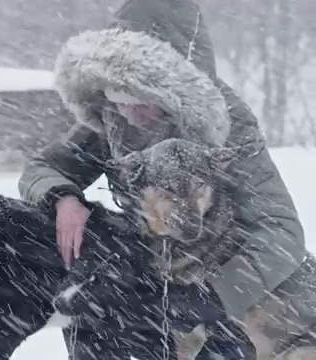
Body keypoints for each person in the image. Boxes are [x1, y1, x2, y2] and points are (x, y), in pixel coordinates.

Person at [18, 0, 306, 358]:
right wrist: (63, 198)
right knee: (94, 307)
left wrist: (216, 295)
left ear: (173, 89)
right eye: (117, 97)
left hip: (253, 290)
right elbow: (44, 167)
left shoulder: (229, 121)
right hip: (168, 273)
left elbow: (280, 230)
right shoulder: (114, 116)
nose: (128, 111)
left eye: (140, 99)